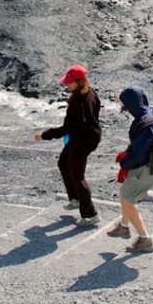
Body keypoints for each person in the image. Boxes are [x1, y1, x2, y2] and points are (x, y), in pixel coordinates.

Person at [34, 64, 102, 227]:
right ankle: (75, 199)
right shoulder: (91, 93)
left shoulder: (77, 103)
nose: (66, 84)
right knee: (63, 163)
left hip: (83, 141)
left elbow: (66, 129)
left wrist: (44, 135)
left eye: (69, 82)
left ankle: (90, 214)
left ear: (78, 82)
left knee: (78, 177)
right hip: (87, 136)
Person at [108, 85, 153, 253]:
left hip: (146, 169)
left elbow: (140, 151)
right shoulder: (151, 113)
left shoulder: (144, 122)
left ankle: (144, 239)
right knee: (128, 195)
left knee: (127, 199)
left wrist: (125, 163)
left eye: (125, 106)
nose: (124, 109)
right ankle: (124, 226)